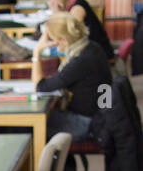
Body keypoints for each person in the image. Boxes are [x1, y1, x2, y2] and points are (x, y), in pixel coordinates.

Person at [33, 12, 113, 140]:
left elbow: (40, 86)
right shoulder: (91, 47)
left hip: (86, 122)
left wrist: (36, 52)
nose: (51, 43)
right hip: (99, 116)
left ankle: (55, 159)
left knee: (33, 129)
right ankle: (64, 160)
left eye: (52, 39)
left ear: (63, 40)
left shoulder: (80, 61)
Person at [42, 0, 112, 58]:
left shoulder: (77, 8)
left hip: (99, 60)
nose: (49, 3)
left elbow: (69, 39)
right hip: (92, 56)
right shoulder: (73, 3)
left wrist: (56, 16)